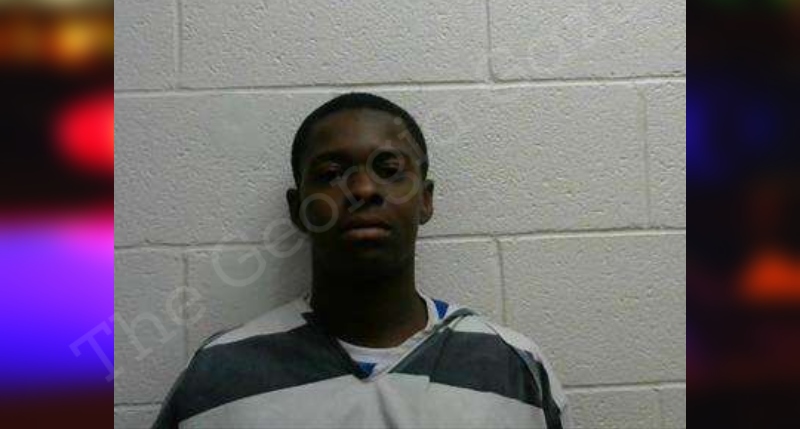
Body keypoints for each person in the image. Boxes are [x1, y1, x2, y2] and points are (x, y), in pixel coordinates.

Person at [153, 93, 571, 428]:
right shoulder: (220, 374)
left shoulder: (513, 368)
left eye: (389, 169)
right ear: (298, 209)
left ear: (425, 200)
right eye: (331, 173)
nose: (363, 189)